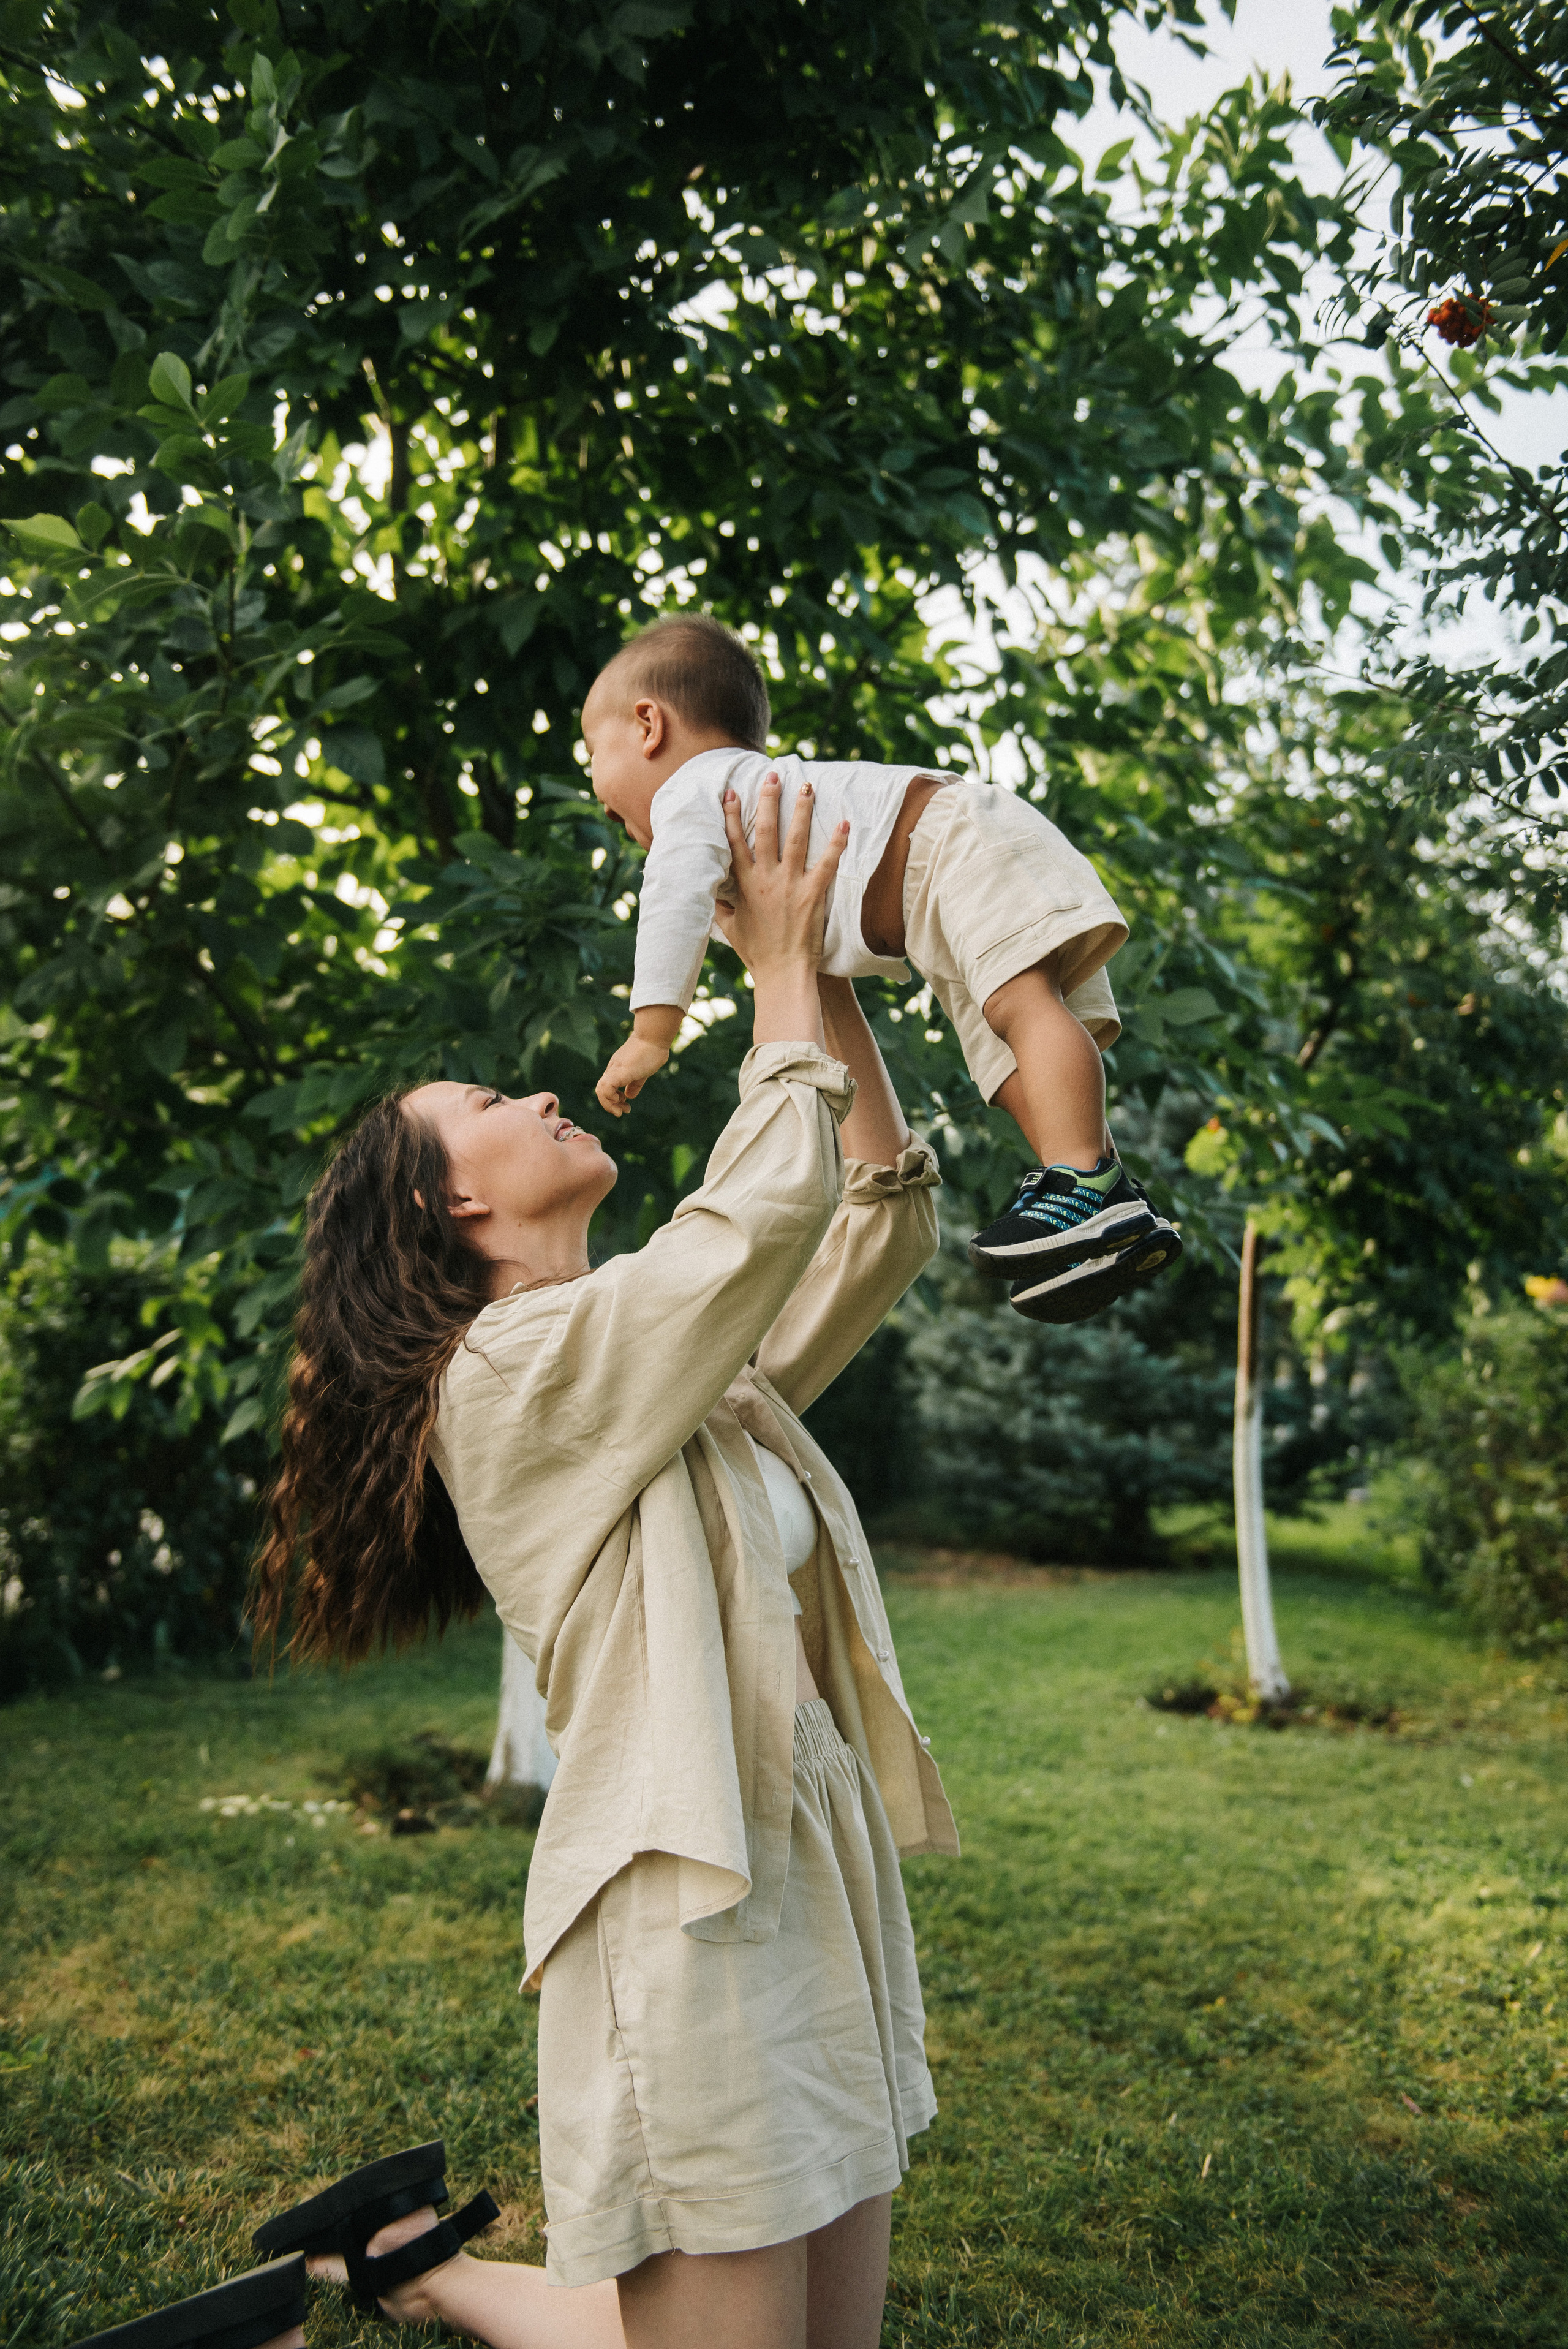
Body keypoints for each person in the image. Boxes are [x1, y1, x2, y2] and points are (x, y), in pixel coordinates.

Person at [239, 777, 958, 2349]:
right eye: (488, 1099)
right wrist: (771, 973)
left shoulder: (651, 1354)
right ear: (454, 1198)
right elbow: (752, 1218)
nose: (542, 1091)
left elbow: (863, 1221)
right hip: (684, 1892)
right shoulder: (502, 1377)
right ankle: (409, 2270)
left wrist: (825, 979)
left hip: (803, 1841)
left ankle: (407, 2266)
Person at [585, 613, 1180, 1325]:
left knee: (1019, 1008)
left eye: (594, 755)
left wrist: (651, 1033)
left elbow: (670, 902)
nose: (617, 820)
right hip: (942, 892)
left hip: (957, 844)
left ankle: (1082, 1177)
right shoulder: (743, 808)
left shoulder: (694, 790)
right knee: (1003, 1066)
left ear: (647, 725)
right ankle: (1110, 1209)